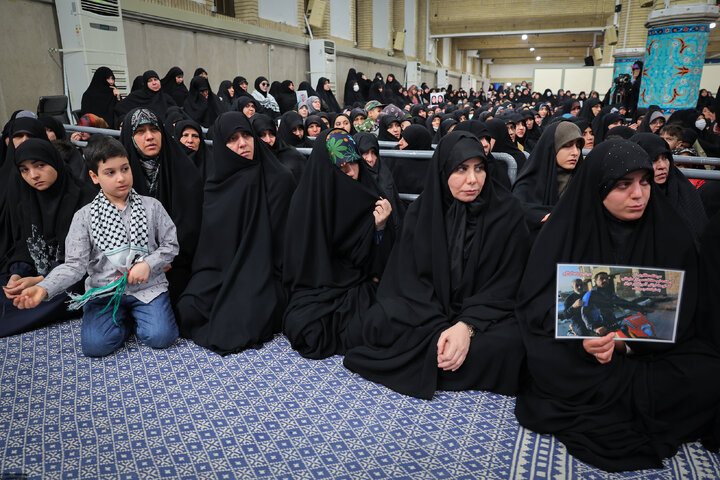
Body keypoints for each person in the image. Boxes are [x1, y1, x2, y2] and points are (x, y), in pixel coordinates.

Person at [515, 138, 720, 472]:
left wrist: (629, 345)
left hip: (647, 350)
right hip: (581, 348)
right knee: (539, 358)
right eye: (623, 185)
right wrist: (582, 338)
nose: (638, 195)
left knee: (707, 371)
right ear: (599, 187)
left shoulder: (671, 234)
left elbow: (685, 314)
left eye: (644, 182)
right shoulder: (564, 231)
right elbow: (536, 304)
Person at [343, 131, 530, 399]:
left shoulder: (507, 213)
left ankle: (441, 352)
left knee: (515, 344)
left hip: (485, 314)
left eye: (479, 168)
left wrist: (467, 326)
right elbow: (407, 279)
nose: (472, 180)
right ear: (443, 171)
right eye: (461, 169)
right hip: (427, 310)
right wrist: (440, 322)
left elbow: (508, 283)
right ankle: (446, 352)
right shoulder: (422, 212)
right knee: (376, 322)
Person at [12, 136, 180, 357]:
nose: (121, 178)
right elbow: (74, 266)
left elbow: (170, 244)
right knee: (96, 346)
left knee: (161, 337)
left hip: (147, 288)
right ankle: (123, 320)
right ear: (94, 177)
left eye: (125, 169)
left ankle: (134, 316)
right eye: (110, 172)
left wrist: (149, 264)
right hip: (104, 291)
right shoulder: (84, 217)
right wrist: (44, 288)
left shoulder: (152, 207)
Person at [176, 112, 295, 355]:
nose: (242, 143)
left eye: (246, 135)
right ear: (220, 144)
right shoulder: (216, 184)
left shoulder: (278, 179)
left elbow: (285, 245)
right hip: (220, 269)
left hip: (263, 270)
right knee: (188, 309)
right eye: (232, 139)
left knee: (240, 320)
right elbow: (211, 247)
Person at [283, 129, 394, 359]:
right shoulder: (306, 203)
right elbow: (303, 266)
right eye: (342, 167)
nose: (352, 173)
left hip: (360, 282)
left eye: (354, 163)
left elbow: (381, 261)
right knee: (307, 329)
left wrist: (380, 228)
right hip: (318, 287)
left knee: (382, 324)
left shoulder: (369, 194)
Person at [1, 139, 95, 336]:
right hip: (40, 271)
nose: (33, 175)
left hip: (76, 276)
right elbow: (24, 247)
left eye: (40, 165)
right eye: (24, 170)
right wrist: (17, 276)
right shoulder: (27, 199)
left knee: (42, 298)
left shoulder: (84, 197)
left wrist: (40, 280)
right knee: (9, 292)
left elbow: (84, 261)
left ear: (54, 161)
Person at [119, 108, 203, 304]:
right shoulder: (119, 174)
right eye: (140, 131)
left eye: (154, 130)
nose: (149, 137)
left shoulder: (184, 170)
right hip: (128, 264)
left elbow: (190, 227)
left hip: (175, 261)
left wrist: (161, 260)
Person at [630, 133, 707, 244]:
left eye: (665, 158)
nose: (662, 166)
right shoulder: (629, 197)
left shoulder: (684, 192)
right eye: (654, 159)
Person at [512, 121, 584, 235]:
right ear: (552, 147)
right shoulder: (528, 183)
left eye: (578, 146)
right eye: (567, 145)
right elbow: (517, 210)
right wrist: (541, 216)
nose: (575, 152)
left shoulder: (583, 182)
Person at [253, 113, 306, 182]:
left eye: (271, 134)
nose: (268, 140)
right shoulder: (249, 160)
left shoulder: (293, 156)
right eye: (262, 135)